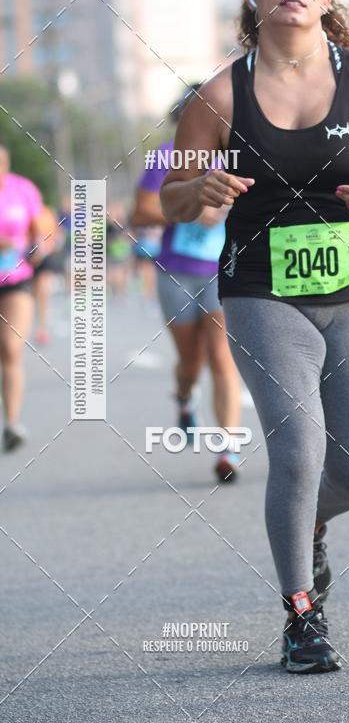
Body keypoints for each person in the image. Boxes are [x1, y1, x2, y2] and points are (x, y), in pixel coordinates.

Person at [159, 0, 349, 674]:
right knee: (297, 449)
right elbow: (171, 197)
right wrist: (202, 190)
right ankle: (301, 617)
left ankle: (310, 526)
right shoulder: (219, 95)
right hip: (262, 293)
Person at [131, 87, 243, 483]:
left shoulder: (236, 157)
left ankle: (227, 449)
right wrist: (191, 214)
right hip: (176, 272)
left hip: (222, 271)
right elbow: (141, 211)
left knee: (222, 358)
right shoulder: (165, 157)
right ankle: (183, 396)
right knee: (190, 363)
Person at [0, 145, 44, 451]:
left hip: (15, 279)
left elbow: (39, 228)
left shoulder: (21, 189)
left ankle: (12, 423)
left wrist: (38, 245)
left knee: (10, 348)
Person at [31, 204, 63, 344]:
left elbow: (57, 233)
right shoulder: (25, 210)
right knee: (32, 292)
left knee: (44, 290)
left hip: (46, 256)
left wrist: (54, 245)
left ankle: (42, 328)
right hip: (26, 257)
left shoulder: (48, 213)